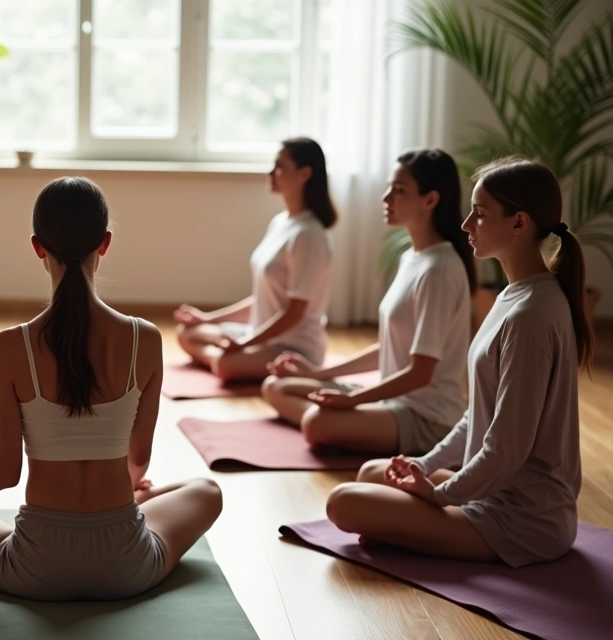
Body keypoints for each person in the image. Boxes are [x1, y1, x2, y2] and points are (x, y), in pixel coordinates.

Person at [0, 177, 223, 601]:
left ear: (37, 246)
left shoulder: (11, 346)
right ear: (104, 243)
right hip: (128, 566)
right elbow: (138, 459)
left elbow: (4, 473)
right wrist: (125, 489)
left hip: (35, 568)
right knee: (206, 490)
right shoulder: (146, 339)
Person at [326, 158, 591, 567]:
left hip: (523, 520)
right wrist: (424, 464)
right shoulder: (512, 296)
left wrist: (437, 495)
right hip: (495, 492)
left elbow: (506, 449)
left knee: (344, 502)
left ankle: (410, 528)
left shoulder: (531, 315)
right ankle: (409, 527)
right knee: (373, 475)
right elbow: (477, 415)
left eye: (480, 214)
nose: (466, 224)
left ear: (519, 223)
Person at [261, 149, 475, 454]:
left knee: (316, 423)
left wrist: (354, 400)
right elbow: (390, 348)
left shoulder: (438, 271)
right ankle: (354, 428)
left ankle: (349, 428)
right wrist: (315, 374)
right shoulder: (412, 257)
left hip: (427, 418)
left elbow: (421, 372)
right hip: (391, 402)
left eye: (399, 191)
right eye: (389, 188)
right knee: (277, 387)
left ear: (430, 200)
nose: (386, 198)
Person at [175, 137, 337, 383]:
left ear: (304, 173)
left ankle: (230, 361)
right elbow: (264, 297)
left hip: (293, 347)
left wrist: (242, 344)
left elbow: (294, 313)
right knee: (188, 333)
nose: (271, 173)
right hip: (258, 333)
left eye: (280, 167)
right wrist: (207, 318)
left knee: (224, 363)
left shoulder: (310, 235)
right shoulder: (281, 222)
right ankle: (234, 358)